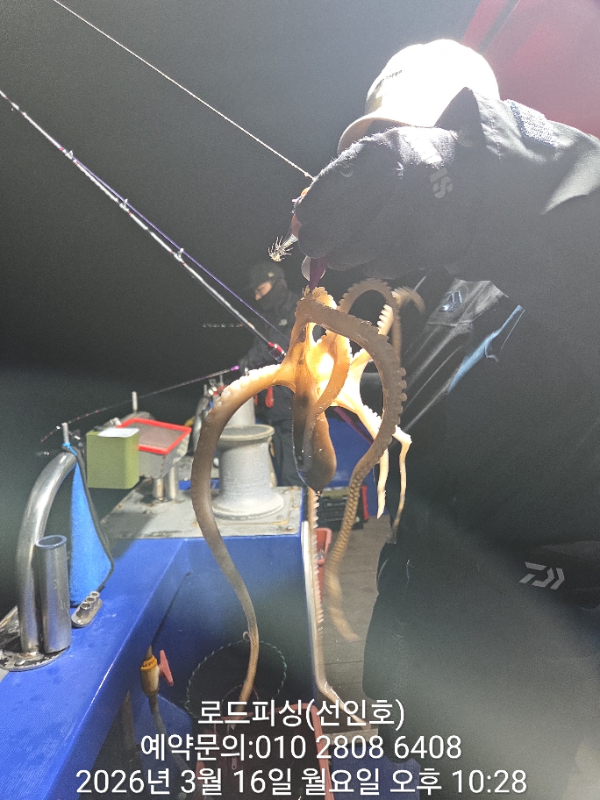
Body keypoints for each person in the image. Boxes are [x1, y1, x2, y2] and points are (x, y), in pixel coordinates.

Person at [293, 40, 600, 800]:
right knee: (411, 758)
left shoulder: (562, 265)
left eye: (404, 143)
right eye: (371, 144)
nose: (382, 168)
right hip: (422, 589)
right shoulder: (449, 288)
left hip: (528, 621)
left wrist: (482, 180)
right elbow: (421, 399)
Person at [239, 261, 300, 486]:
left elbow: (291, 346)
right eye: (255, 293)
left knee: (294, 470)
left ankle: (301, 504)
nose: (257, 298)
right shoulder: (264, 317)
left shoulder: (301, 309)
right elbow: (259, 347)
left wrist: (256, 356)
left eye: (260, 290)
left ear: (276, 283)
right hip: (272, 405)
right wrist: (248, 361)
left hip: (296, 402)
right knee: (279, 465)